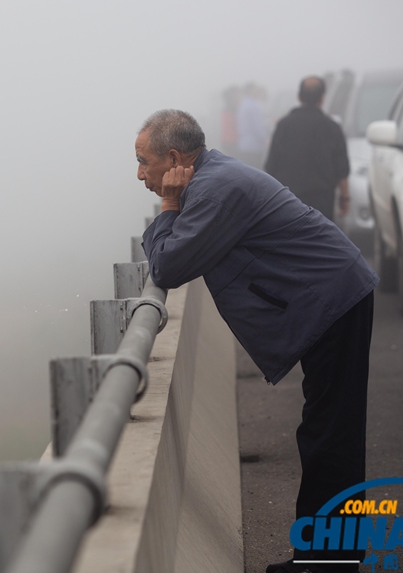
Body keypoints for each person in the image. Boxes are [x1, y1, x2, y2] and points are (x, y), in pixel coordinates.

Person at [136, 109, 378, 573]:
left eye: (143, 161)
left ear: (172, 157)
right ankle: (327, 556)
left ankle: (329, 561)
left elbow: (166, 267)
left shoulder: (213, 190)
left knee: (331, 434)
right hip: (327, 295)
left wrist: (168, 207)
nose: (140, 174)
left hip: (332, 297)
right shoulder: (211, 178)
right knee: (328, 429)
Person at [264, 76, 350, 221]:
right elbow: (341, 168)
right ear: (322, 98)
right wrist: (345, 198)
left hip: (288, 201)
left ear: (299, 96)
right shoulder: (332, 127)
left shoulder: (284, 126)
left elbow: (271, 166)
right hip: (323, 202)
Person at [236, 83, 269, 168]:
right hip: (254, 146)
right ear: (251, 91)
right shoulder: (253, 106)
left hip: (244, 145)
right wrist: (264, 139)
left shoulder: (243, 105)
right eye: (255, 90)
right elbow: (257, 127)